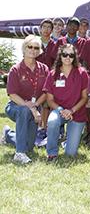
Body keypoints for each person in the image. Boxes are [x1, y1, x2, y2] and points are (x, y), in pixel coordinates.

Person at [3, 35, 49, 164]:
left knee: (29, 146)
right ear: (24, 48)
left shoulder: (44, 69)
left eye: (36, 47)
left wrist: (35, 107)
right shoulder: (15, 69)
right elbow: (12, 94)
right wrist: (33, 109)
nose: (33, 50)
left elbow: (46, 92)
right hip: (16, 106)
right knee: (24, 110)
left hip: (35, 107)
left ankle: (8, 134)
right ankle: (19, 154)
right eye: (30, 47)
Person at [43, 44, 88, 160]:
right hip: (59, 110)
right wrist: (61, 110)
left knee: (71, 154)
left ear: (75, 57)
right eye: (65, 54)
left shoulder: (82, 73)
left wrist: (72, 110)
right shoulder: (53, 74)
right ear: (60, 56)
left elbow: (84, 98)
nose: (68, 57)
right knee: (52, 121)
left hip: (77, 113)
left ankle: (67, 142)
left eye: (71, 55)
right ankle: (52, 153)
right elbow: (49, 99)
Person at [36, 18, 57, 131]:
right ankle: (36, 126)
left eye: (49, 27)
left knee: (46, 104)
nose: (46, 29)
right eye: (44, 27)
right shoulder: (34, 43)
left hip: (49, 78)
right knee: (35, 102)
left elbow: (56, 62)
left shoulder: (55, 44)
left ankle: (45, 128)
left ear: (52, 30)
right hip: (36, 78)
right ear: (40, 29)